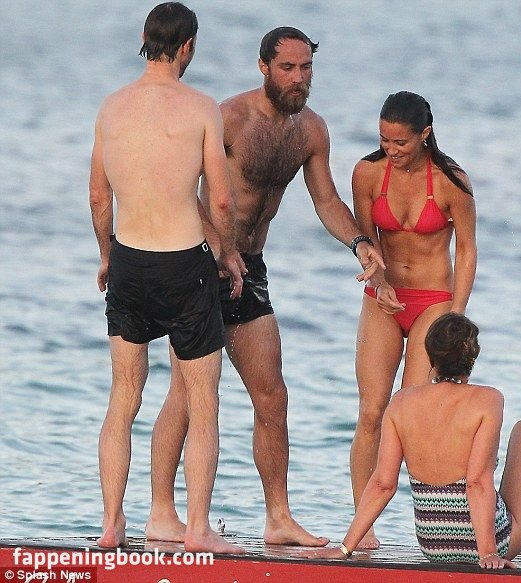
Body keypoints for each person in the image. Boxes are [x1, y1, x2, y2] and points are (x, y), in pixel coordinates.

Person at [145, 27, 385, 546]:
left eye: (306, 68)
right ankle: (161, 512)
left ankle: (278, 518)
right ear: (263, 67)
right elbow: (182, 190)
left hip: (250, 267)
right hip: (201, 264)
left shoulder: (311, 131)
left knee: (272, 396)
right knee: (186, 395)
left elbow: (326, 200)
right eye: (287, 68)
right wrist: (220, 249)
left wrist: (360, 243)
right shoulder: (229, 118)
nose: (299, 78)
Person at [89, 2, 246, 553]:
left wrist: (106, 255)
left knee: (123, 396)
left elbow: (98, 196)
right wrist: (228, 252)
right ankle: (197, 528)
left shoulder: (112, 107)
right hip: (184, 265)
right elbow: (220, 200)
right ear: (188, 47)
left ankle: (112, 524)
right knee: (203, 404)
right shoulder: (202, 108)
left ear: (145, 38)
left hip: (129, 260)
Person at [316, 313, 521, 569]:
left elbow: (382, 484)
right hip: (490, 541)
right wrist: (488, 553)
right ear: (473, 355)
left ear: (431, 355)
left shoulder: (401, 402)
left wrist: (344, 548)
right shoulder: (488, 400)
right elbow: (477, 482)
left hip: (433, 545)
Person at [350, 91, 477, 548]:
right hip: (383, 295)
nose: (391, 150)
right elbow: (366, 240)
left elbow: (467, 250)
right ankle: (363, 528)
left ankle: (441, 523)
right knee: (371, 412)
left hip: (434, 300)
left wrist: (456, 315)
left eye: (400, 142)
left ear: (425, 134)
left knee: (410, 409)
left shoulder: (451, 181)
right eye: (384, 140)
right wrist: (378, 280)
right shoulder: (367, 173)